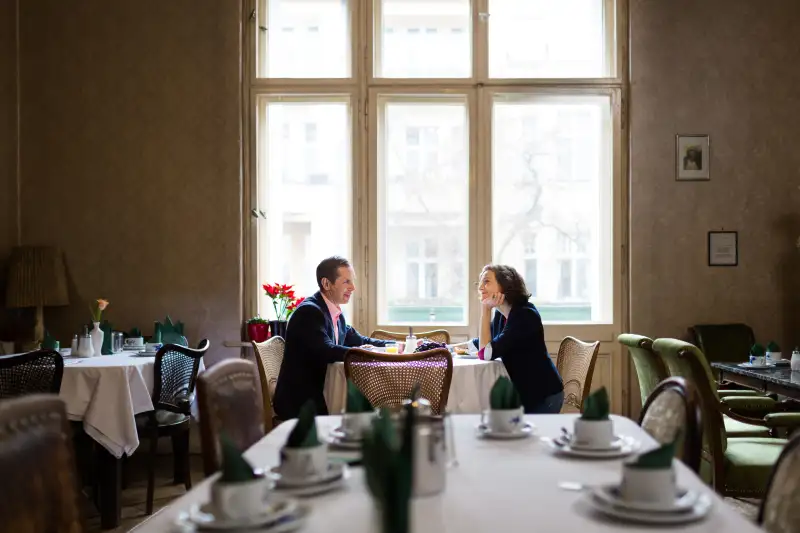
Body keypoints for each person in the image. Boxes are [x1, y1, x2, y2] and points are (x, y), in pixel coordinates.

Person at [272, 256, 388, 420]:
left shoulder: (336, 314)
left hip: (323, 394)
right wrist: (363, 353)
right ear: (326, 284)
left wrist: (401, 345)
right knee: (367, 414)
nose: (353, 287)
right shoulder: (310, 312)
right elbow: (326, 350)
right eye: (346, 282)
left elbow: (361, 340)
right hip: (302, 402)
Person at [470, 264, 564, 414]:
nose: (480, 287)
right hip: (526, 394)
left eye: (486, 281)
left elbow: (485, 353)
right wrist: (444, 347)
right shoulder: (503, 314)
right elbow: (481, 343)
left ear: (505, 285)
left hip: (543, 397)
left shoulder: (525, 315)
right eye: (479, 283)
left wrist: (485, 311)